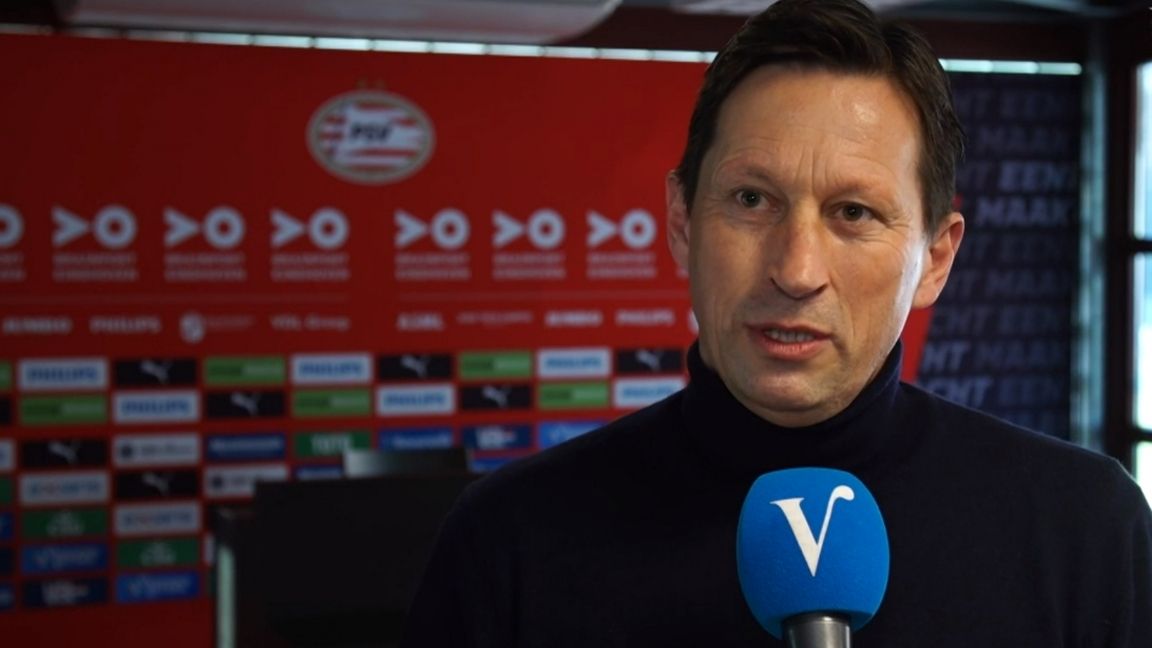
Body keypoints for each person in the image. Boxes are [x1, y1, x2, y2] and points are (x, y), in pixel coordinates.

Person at [402, 0, 1152, 645]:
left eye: (853, 212)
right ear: (682, 222)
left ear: (935, 259)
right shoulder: (507, 541)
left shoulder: (1087, 531)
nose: (796, 270)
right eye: (752, 200)